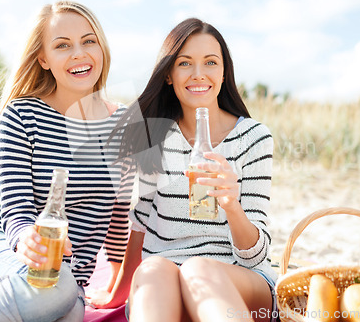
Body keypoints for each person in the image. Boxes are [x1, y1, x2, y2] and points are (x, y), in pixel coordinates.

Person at [0, 0, 134, 322]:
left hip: (67, 280)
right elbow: (16, 209)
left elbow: (119, 213)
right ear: (43, 58)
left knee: (71, 309)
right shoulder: (22, 114)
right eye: (62, 45)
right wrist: (25, 237)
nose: (79, 53)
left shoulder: (127, 123)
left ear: (101, 47)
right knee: (58, 290)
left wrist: (118, 281)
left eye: (89, 41)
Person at [86, 18, 277, 322]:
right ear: (169, 76)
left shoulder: (254, 137)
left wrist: (231, 204)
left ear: (224, 71)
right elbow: (140, 223)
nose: (198, 74)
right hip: (165, 280)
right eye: (185, 63)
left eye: (210, 62)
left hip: (239, 281)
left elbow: (255, 255)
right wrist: (118, 291)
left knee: (198, 269)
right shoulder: (154, 136)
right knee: (155, 267)